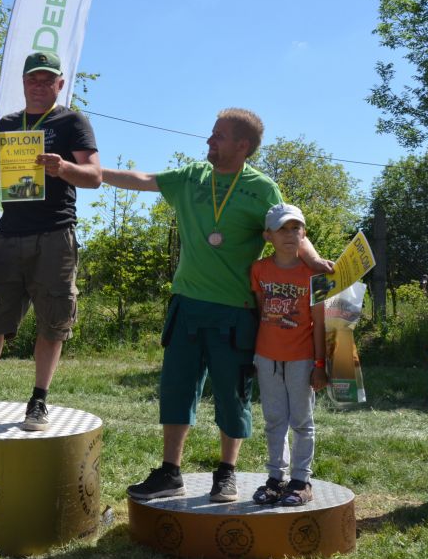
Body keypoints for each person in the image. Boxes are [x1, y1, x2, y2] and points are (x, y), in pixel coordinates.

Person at [103, 108, 332, 502]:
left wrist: (313, 261)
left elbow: (289, 227)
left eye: (218, 136)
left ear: (242, 146)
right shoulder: (193, 176)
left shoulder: (262, 188)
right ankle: (170, 472)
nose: (209, 141)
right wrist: (91, 172)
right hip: (187, 305)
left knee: (232, 393)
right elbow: (143, 180)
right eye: (211, 134)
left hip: (234, 311)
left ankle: (226, 473)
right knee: (177, 389)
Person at [0, 51, 102, 431]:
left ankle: (38, 401)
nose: (39, 86)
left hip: (55, 235)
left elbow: (94, 176)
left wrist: (64, 167)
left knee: (53, 321)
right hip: (8, 235)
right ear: (23, 83)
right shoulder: (8, 124)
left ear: (60, 84)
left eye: (47, 80)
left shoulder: (72, 121)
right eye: (33, 79)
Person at [250, 203, 327, 507]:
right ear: (267, 235)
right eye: (282, 228)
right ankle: (275, 479)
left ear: (304, 234)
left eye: (296, 228)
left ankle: (300, 481)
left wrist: (319, 364)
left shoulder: (315, 274)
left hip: (302, 358)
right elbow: (261, 312)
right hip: (266, 357)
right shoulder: (259, 269)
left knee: (302, 421)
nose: (289, 234)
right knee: (274, 420)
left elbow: (320, 323)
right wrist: (257, 355)